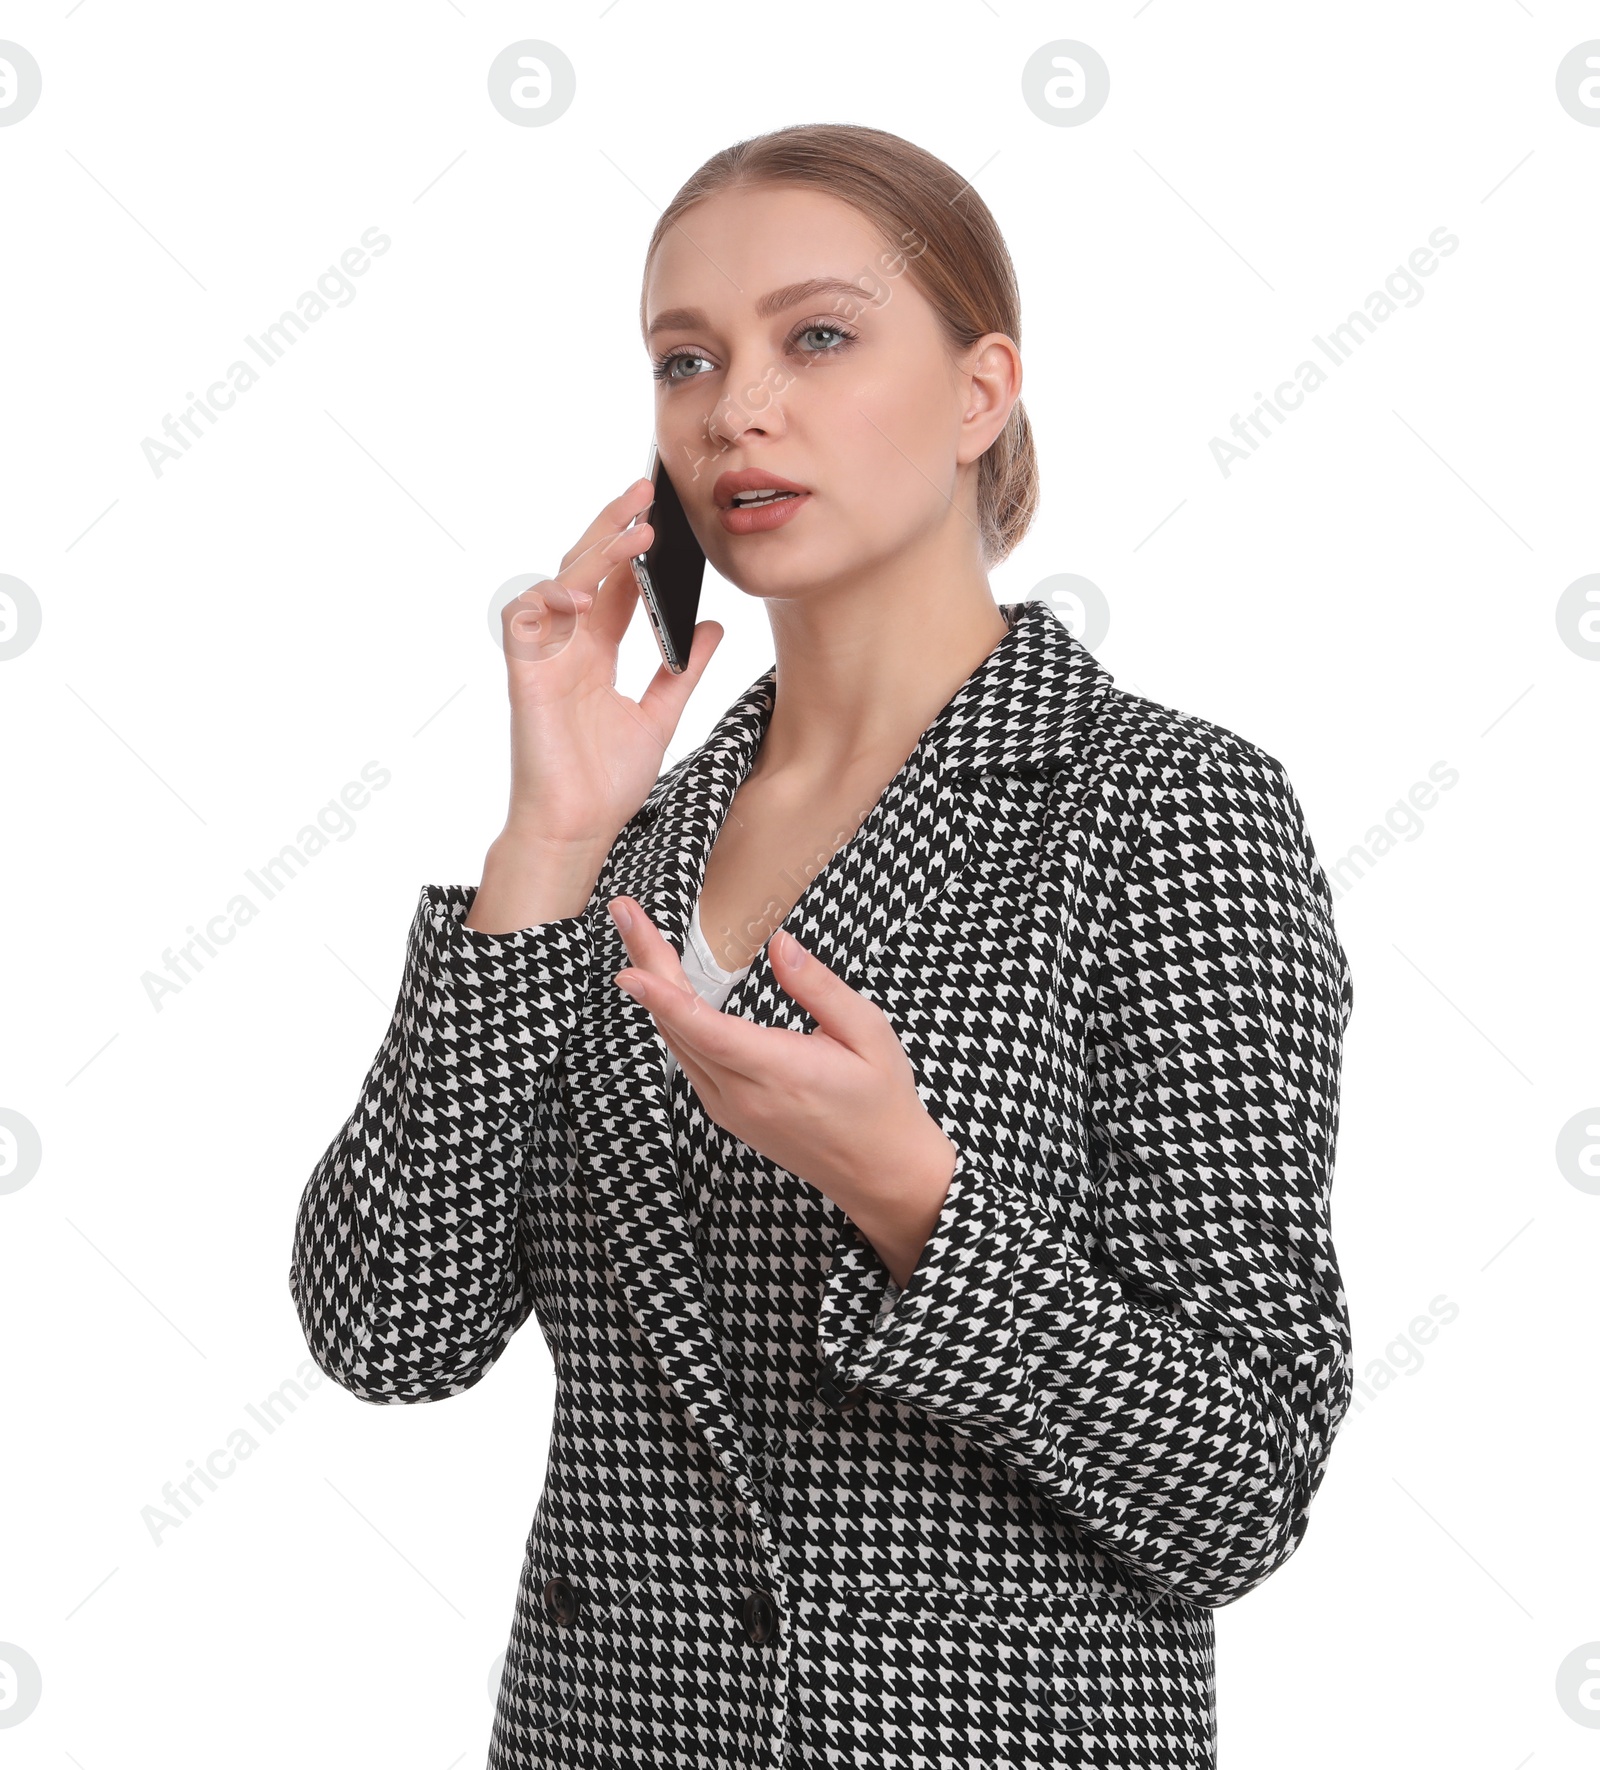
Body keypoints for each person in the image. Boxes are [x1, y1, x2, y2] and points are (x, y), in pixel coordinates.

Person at [289, 122, 1355, 1769]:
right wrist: (545, 842)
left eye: (820, 337)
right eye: (684, 358)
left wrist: (914, 1201)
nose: (735, 409)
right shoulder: (628, 837)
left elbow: (1240, 1485)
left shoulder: (1163, 809)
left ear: (981, 391)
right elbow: (385, 1330)